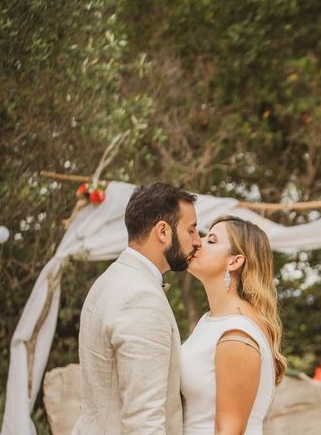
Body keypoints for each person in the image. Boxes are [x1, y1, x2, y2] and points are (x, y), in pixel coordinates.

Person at [73, 182, 201, 435]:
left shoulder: (109, 280)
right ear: (163, 231)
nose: (198, 241)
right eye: (191, 230)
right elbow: (143, 421)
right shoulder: (141, 298)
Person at [181, 215, 287, 435]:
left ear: (234, 261)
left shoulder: (238, 332)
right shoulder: (210, 320)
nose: (197, 242)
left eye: (211, 240)